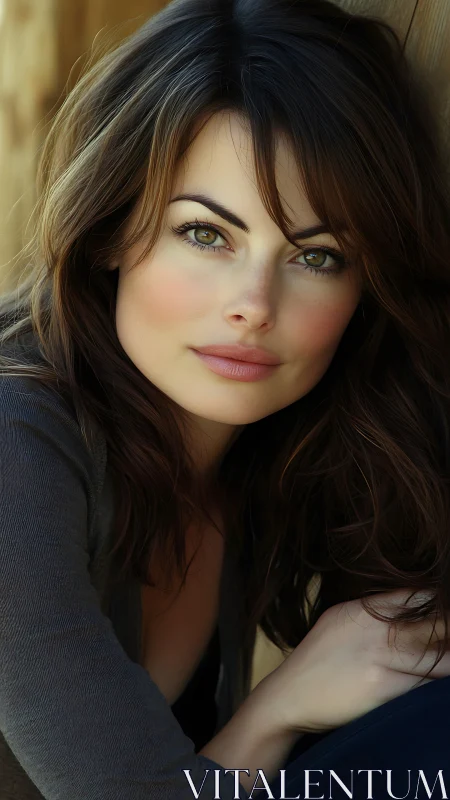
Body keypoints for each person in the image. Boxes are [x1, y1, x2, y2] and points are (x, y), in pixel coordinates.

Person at [1, 0, 450, 797]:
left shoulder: (271, 453)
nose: (255, 304)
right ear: (111, 229)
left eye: (317, 256)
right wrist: (278, 709)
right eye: (206, 234)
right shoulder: (14, 443)